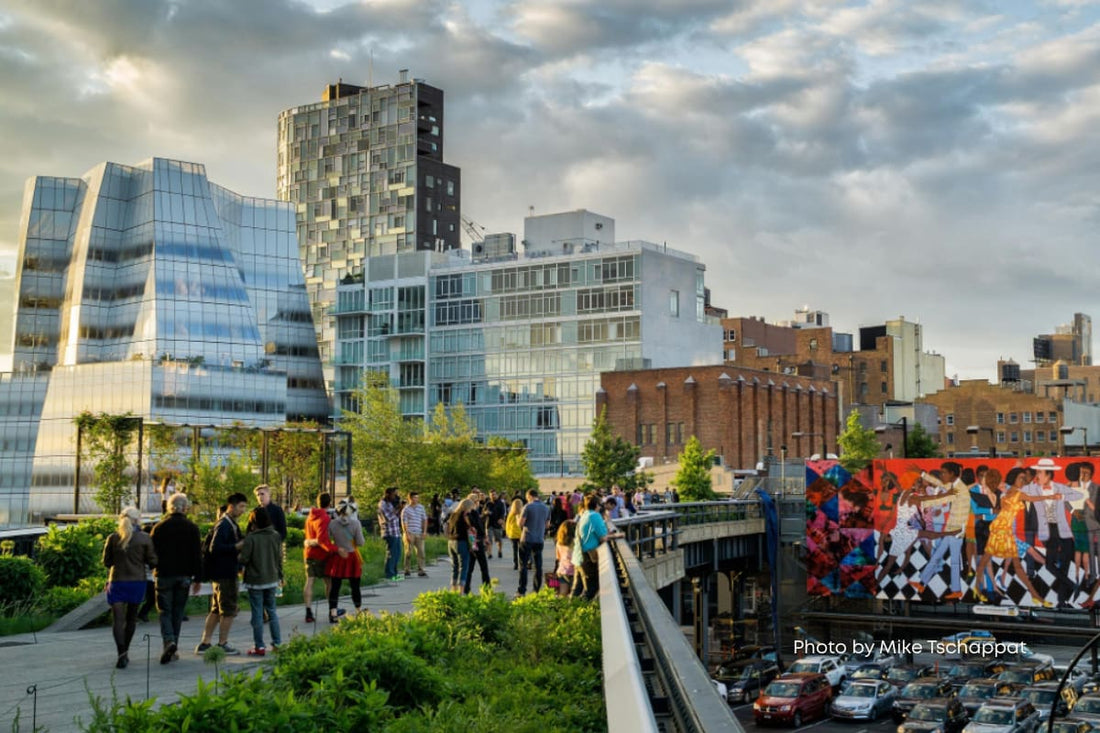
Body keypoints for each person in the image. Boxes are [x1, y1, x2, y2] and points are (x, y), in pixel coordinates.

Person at [976, 467, 1054, 607]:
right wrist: (1050, 496)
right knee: (987, 559)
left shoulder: (1008, 491)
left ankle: (1036, 596)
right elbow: (1033, 498)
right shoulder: (1015, 492)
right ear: (1014, 478)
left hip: (1004, 530)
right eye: (1021, 478)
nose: (1023, 480)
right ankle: (1036, 597)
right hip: (1000, 529)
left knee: (1013, 565)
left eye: (1024, 478)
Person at [1021, 458, 1083, 606]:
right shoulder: (1033, 488)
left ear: (1049, 475)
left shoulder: (1059, 487)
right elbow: (1018, 492)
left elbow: (1078, 495)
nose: (1037, 476)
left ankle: (1061, 601)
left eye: (1040, 473)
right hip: (1048, 530)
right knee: (1050, 565)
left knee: (1065, 564)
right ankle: (1072, 585)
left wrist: (1062, 496)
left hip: (1062, 530)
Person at [150, 492, 202, 665]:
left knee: (165, 611)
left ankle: (169, 642)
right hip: (184, 577)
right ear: (185, 508)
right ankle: (174, 648)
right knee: (178, 613)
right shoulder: (192, 528)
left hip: (164, 575)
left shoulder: (159, 527)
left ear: (169, 507)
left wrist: (153, 567)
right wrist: (198, 578)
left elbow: (152, 553)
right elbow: (197, 555)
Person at [102, 507, 158, 668]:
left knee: (118, 621)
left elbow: (107, 562)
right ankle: (125, 651)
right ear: (137, 520)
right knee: (131, 619)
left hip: (117, 581)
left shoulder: (113, 538)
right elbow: (153, 561)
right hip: (137, 582)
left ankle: (121, 654)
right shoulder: (145, 538)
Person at [195, 493, 248, 655]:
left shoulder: (228, 523)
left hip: (221, 572)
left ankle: (205, 643)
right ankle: (222, 643)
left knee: (216, 609)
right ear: (231, 506)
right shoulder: (224, 525)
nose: (243, 510)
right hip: (225, 573)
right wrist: (236, 547)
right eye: (241, 506)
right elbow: (215, 548)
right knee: (228, 609)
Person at [909, 462, 970, 601]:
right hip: (951, 528)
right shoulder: (953, 485)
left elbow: (942, 499)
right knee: (937, 556)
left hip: (956, 530)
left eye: (944, 472)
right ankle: (922, 583)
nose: (942, 475)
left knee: (953, 560)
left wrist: (920, 500)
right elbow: (940, 484)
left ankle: (956, 590)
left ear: (952, 474)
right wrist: (923, 474)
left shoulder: (959, 489)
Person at [240, 506, 283, 656]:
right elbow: (279, 558)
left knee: (257, 613)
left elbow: (244, 559)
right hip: (272, 578)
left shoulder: (251, 538)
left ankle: (260, 646)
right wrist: (280, 576)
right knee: (272, 611)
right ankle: (277, 643)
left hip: (255, 580)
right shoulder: (275, 535)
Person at [574, 494, 623, 600]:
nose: (601, 506)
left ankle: (571, 609)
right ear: (596, 505)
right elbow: (603, 538)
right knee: (591, 588)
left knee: (579, 588)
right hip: (589, 556)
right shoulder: (594, 516)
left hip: (580, 554)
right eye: (600, 504)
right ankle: (581, 609)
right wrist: (617, 536)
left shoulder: (585, 514)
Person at [326, 497, 365, 622]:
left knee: (335, 587)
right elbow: (360, 542)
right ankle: (358, 610)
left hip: (338, 556)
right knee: (355, 586)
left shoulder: (332, 523)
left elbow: (327, 539)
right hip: (351, 556)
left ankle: (333, 613)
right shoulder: (356, 524)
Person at [303, 493, 337, 623]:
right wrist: (335, 549)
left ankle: (308, 611)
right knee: (328, 582)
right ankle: (331, 610)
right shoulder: (325, 518)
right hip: (321, 554)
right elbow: (322, 540)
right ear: (330, 503)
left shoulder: (310, 516)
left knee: (309, 581)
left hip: (308, 552)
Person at [517, 489, 551, 597]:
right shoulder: (546, 508)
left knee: (523, 565)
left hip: (527, 538)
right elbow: (547, 525)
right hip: (539, 539)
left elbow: (521, 523)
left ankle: (522, 590)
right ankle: (536, 589)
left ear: (529, 496)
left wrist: (518, 518)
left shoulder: (527, 507)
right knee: (538, 565)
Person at [464, 489, 492, 593]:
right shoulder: (471, 514)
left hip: (473, 542)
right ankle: (487, 588)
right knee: (483, 566)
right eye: (477, 502)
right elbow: (477, 527)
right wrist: (484, 537)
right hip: (476, 542)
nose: (478, 503)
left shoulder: (470, 513)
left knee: (470, 567)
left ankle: (467, 588)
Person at [446, 498, 476, 593]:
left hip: (451, 541)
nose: (471, 510)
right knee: (463, 567)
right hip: (461, 541)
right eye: (471, 508)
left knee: (454, 566)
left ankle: (453, 589)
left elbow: (447, 526)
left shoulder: (453, 515)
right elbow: (471, 526)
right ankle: (461, 591)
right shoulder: (465, 515)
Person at [378, 487, 403, 582]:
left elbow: (397, 516)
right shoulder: (382, 504)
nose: (395, 496)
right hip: (389, 531)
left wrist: (400, 508)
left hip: (396, 531)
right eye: (393, 494)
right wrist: (398, 508)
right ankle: (389, 574)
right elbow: (388, 517)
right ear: (388, 494)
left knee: (397, 553)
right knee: (391, 554)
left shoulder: (390, 503)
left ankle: (395, 574)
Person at [401, 492, 429, 577]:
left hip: (419, 532)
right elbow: (404, 522)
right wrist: (407, 534)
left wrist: (424, 531)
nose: (416, 499)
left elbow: (424, 519)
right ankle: (407, 570)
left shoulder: (421, 508)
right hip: (410, 532)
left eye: (417, 497)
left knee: (421, 552)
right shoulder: (406, 509)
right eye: (414, 497)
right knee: (408, 552)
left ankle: (421, 570)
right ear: (410, 498)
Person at [555, 520, 577, 598]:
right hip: (573, 571)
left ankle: (560, 609)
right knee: (573, 595)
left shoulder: (559, 542)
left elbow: (558, 557)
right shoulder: (575, 542)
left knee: (562, 594)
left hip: (562, 570)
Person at [487, 490, 507, 559]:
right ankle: (490, 553)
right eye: (492, 494)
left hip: (497, 524)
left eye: (494, 494)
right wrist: (486, 512)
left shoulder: (500, 503)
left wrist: (501, 519)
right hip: (489, 524)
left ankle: (500, 551)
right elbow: (484, 511)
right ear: (489, 495)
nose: (493, 496)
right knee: (489, 539)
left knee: (499, 540)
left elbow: (503, 512)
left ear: (497, 495)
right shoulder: (488, 503)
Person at [505, 497, 524, 570]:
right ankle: (522, 563)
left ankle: (515, 564)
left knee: (514, 549)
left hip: (513, 533)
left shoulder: (511, 513)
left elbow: (507, 523)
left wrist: (507, 532)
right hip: (521, 533)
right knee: (522, 549)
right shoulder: (522, 512)